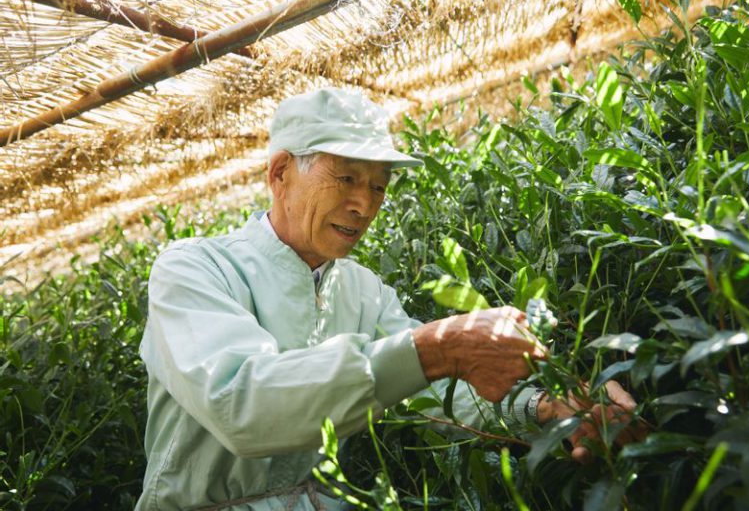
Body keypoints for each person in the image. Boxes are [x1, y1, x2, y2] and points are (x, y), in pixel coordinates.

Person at [136, 88, 642, 510]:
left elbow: (432, 394)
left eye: (379, 186)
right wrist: (438, 348)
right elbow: (242, 406)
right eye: (347, 178)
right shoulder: (195, 269)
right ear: (280, 173)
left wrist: (546, 406)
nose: (364, 204)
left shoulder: (362, 291)